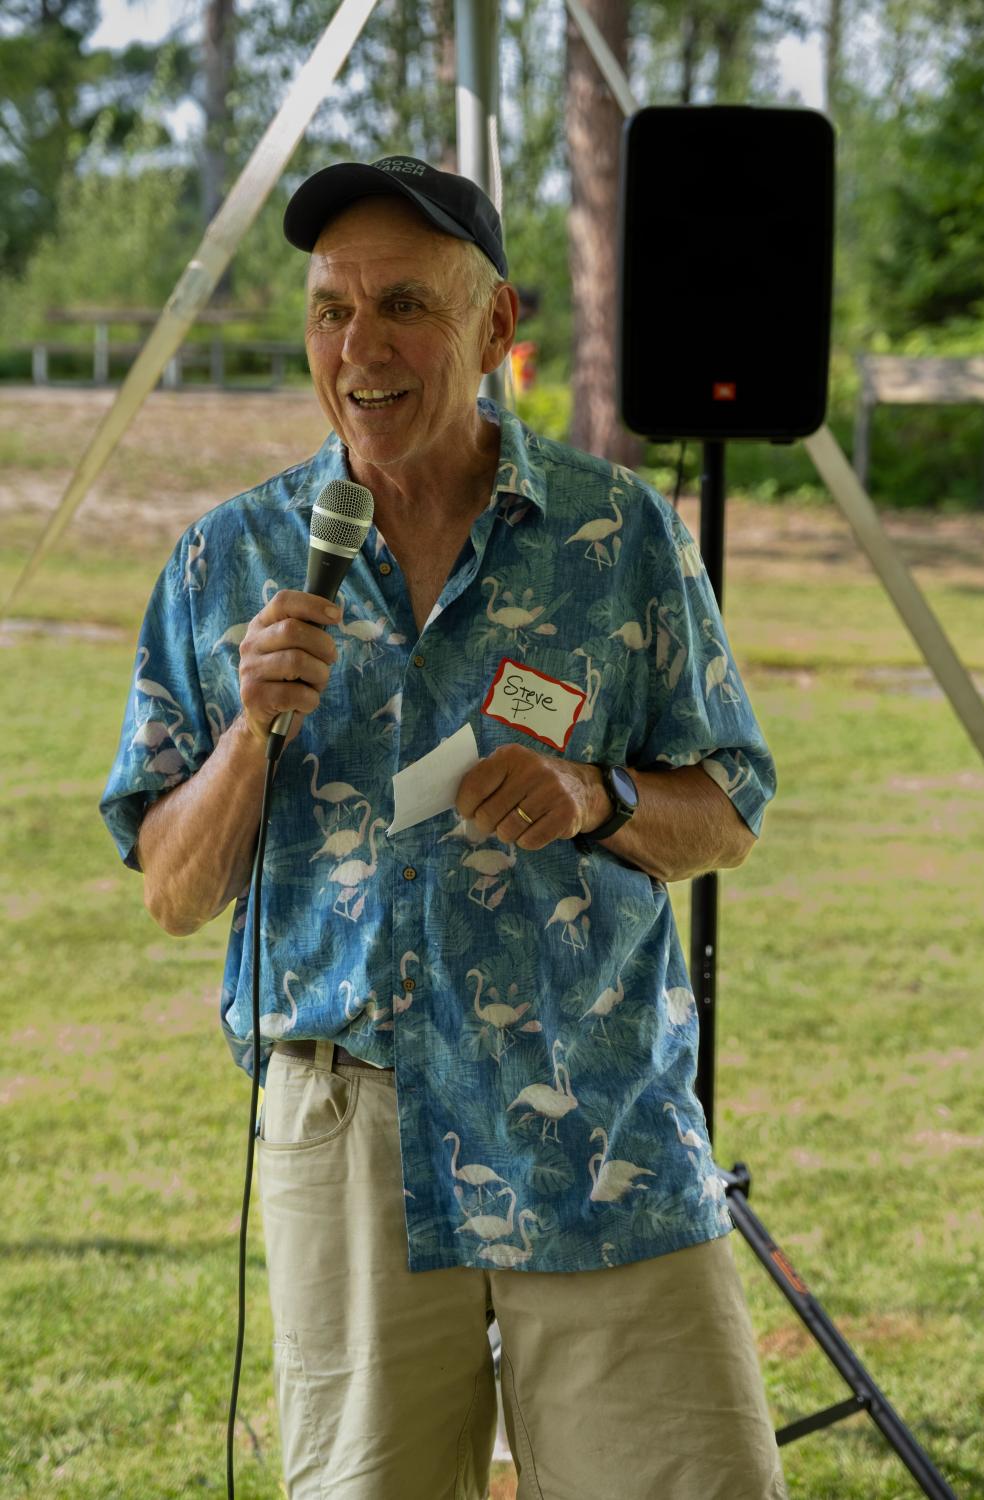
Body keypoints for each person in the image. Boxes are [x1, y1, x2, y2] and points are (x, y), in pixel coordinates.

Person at [101, 155, 784, 1500]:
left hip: (600, 1118)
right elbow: (174, 891)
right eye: (330, 311)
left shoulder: (619, 536)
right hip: (350, 1132)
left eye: (404, 305)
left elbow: (731, 811)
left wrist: (601, 798)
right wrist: (253, 731)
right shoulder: (225, 562)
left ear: (496, 327)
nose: (363, 348)